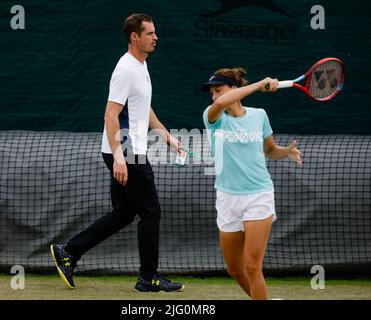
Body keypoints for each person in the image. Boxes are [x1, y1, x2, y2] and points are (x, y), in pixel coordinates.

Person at [50, 13, 184, 293]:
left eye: (154, 32)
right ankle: (149, 278)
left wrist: (165, 134)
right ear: (134, 37)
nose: (155, 37)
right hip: (127, 151)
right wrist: (120, 157)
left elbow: (142, 107)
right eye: (149, 33)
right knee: (151, 212)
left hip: (124, 150)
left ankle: (68, 253)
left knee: (124, 213)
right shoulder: (126, 69)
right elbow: (111, 114)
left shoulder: (141, 66)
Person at [201, 67, 302, 300]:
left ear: (235, 89)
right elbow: (219, 104)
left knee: (251, 266)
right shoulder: (212, 117)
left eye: (219, 90)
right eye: (211, 92)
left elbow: (269, 150)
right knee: (234, 269)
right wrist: (258, 85)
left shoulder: (259, 116)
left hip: (258, 195)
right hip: (227, 198)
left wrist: (285, 152)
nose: (214, 96)